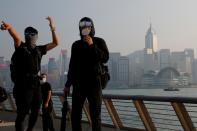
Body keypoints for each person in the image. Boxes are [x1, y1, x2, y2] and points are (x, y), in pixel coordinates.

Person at [0, 16, 59, 131]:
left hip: (36, 85)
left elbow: (56, 43)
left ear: (36, 36)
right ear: (26, 35)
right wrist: (10, 28)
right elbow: (16, 38)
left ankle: (29, 130)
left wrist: (52, 28)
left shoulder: (39, 50)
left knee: (36, 111)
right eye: (29, 33)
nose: (31, 36)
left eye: (33, 34)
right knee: (23, 113)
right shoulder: (21, 47)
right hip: (23, 86)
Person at [64, 17, 109, 131]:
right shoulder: (76, 45)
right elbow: (72, 66)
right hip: (78, 83)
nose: (85, 28)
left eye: (88, 25)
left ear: (92, 27)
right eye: (82, 26)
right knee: (75, 115)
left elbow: (105, 58)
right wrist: (67, 84)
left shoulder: (99, 41)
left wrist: (91, 45)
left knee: (95, 116)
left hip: (94, 82)